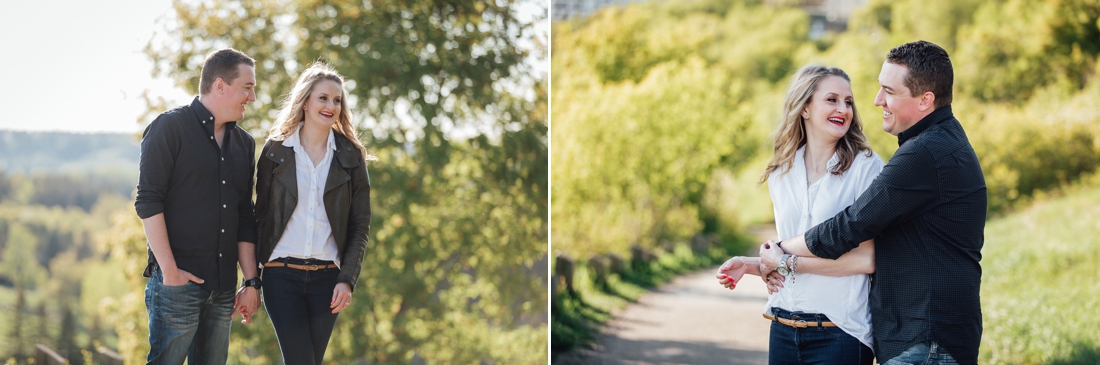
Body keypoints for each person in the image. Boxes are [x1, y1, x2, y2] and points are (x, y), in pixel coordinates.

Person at [758, 40, 986, 365]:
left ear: (925, 100)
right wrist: (766, 261)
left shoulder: (924, 153)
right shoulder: (935, 144)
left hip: (926, 337)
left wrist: (780, 250)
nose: (877, 101)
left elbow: (850, 226)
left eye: (888, 91)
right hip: (922, 335)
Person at [716, 65, 884, 365]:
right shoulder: (782, 171)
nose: (843, 109)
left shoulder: (866, 168)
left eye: (848, 101)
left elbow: (866, 260)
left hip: (840, 333)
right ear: (805, 108)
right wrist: (755, 265)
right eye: (831, 99)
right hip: (782, 328)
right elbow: (791, 249)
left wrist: (785, 262)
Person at [135, 48, 261, 364]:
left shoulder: (245, 144)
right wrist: (170, 271)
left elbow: (245, 216)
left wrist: (251, 282)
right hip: (177, 286)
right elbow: (148, 202)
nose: (253, 97)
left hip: (222, 290)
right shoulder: (169, 128)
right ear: (220, 86)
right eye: (247, 87)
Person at [253, 62, 375, 365]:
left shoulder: (350, 156)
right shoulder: (275, 151)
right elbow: (258, 217)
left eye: (337, 100)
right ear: (305, 100)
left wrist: (347, 278)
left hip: (328, 281)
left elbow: (360, 224)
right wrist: (251, 280)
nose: (331, 105)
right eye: (323, 98)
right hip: (281, 276)